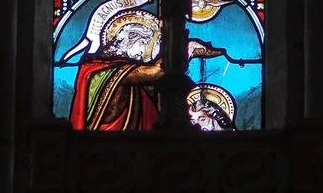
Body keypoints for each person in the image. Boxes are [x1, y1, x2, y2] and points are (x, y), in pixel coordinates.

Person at [68, 8, 222, 131]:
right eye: (144, 42)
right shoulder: (104, 70)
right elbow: (158, 72)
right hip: (104, 143)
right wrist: (187, 48)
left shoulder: (120, 68)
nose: (145, 52)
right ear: (126, 40)